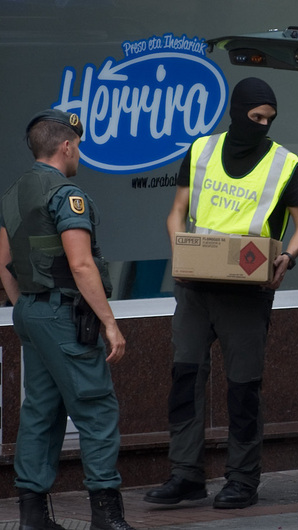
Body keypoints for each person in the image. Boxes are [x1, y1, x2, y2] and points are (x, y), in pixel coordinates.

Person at [143, 77, 298, 509]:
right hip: (195, 288)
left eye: (269, 119)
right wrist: (179, 253)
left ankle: (241, 480)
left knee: (243, 389)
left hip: (246, 292)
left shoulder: (284, 162)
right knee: (185, 381)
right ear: (237, 112)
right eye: (255, 117)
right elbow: (176, 213)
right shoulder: (201, 151)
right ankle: (185, 476)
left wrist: (287, 258)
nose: (262, 125)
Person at [0, 109, 133, 530]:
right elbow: (80, 265)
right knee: (96, 409)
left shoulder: (13, 194)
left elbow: (4, 264)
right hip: (62, 314)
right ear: (67, 145)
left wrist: (29, 306)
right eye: (79, 147)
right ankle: (106, 518)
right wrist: (109, 322)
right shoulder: (66, 194)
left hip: (31, 312)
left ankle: (33, 518)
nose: (80, 155)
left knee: (41, 410)